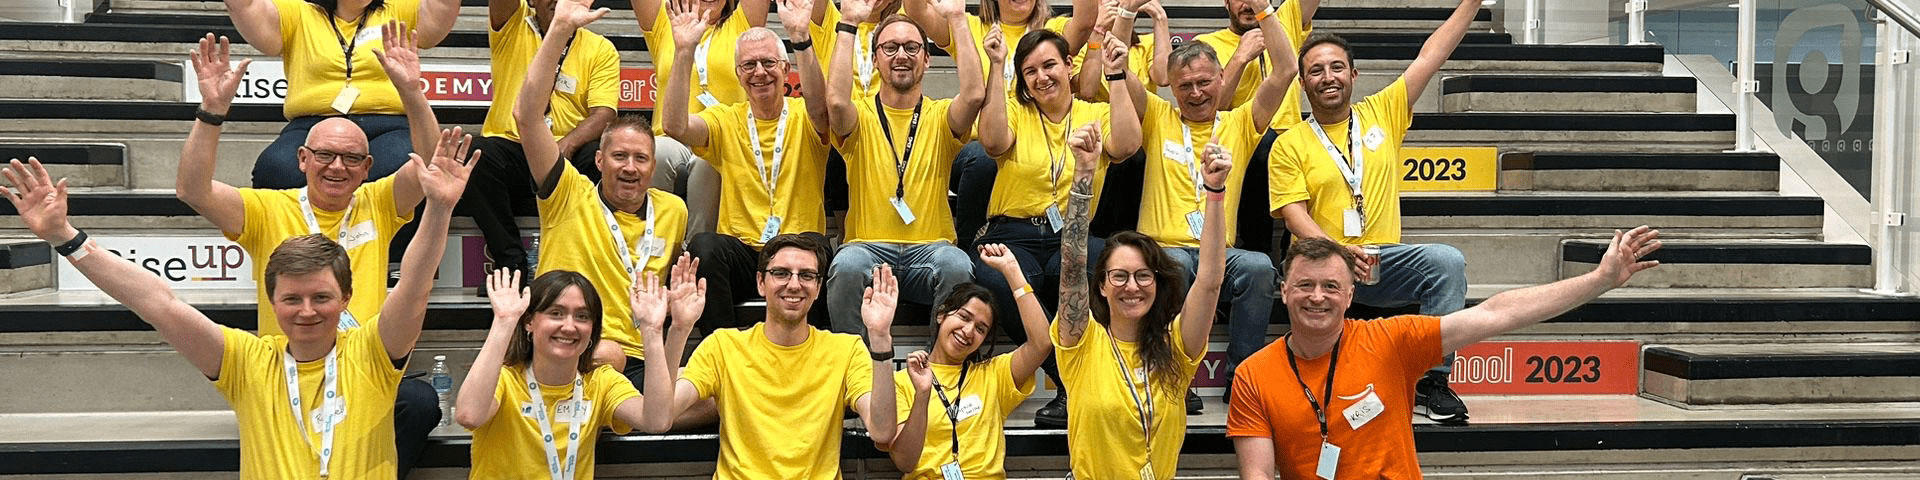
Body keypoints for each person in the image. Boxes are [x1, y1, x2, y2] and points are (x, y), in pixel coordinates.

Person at [1, 128, 473, 477]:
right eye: (292, 298)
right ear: (271, 299)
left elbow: (413, 283)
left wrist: (440, 207)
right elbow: (157, 302)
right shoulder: (248, 363)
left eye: (321, 297)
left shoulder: (373, 354)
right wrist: (66, 237)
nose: (307, 310)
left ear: (346, 298)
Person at [174, 30, 443, 475]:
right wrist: (211, 112)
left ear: (368, 167)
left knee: (418, 403)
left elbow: (433, 168)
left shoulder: (379, 202)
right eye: (324, 155)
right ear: (301, 159)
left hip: (361, 368)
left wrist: (412, 93)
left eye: (352, 159)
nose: (337, 167)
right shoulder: (266, 209)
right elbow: (192, 190)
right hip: (288, 371)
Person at [1228, 230, 1661, 478]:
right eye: (1304, 285)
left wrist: (1600, 280)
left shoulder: (1391, 342)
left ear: (1350, 295)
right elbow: (1259, 476)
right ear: (1282, 292)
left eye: (1331, 286)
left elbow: (1496, 313)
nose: (1317, 297)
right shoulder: (1254, 375)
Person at [1267, 0, 1480, 424]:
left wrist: (1472, 4)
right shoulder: (1289, 143)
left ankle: (1432, 381)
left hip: (1382, 261)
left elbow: (1432, 54)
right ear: (1304, 86)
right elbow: (1294, 216)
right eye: (1316, 71)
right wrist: (1340, 253)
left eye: (1336, 67)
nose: (1327, 77)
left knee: (1447, 262)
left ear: (1353, 74)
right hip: (1320, 263)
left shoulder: (1383, 112)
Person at [972, 26, 1142, 427]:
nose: (1041, 76)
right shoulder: (1017, 110)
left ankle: (1102, 374)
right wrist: (998, 67)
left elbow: (1128, 145)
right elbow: (993, 142)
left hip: (1073, 231)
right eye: (1030, 71)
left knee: (1107, 266)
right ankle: (1071, 381)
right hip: (1011, 233)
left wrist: (1115, 76)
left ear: (1069, 66)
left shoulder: (1094, 112)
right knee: (998, 283)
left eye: (1049, 65)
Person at [516, 0, 691, 385]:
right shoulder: (567, 193)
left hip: (641, 354)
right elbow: (526, 117)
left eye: (641, 158)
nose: (630, 167)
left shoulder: (674, 210)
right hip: (576, 348)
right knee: (608, 356)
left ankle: (632, 412)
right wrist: (560, 28)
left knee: (718, 395)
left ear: (653, 166)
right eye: (619, 156)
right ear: (598, 161)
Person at [637, 234, 901, 479]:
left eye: (807, 275)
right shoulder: (723, 346)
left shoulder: (847, 349)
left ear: (819, 288)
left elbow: (882, 430)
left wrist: (879, 338)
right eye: (781, 273)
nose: (795, 284)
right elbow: (660, 417)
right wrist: (679, 329)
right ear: (761, 283)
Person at [1052, 123, 1231, 479]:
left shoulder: (1176, 348)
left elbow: (1210, 281)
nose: (1131, 286)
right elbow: (1072, 263)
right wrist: (1084, 175)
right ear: (1101, 286)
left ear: (1157, 282)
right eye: (1119, 275)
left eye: (1143, 275)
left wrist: (1215, 193)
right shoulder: (1081, 343)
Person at [1135, 7, 1295, 400]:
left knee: (1259, 266)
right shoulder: (1156, 116)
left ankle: (1241, 378)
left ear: (1223, 77)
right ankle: (1174, 373)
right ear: (1172, 88)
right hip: (1164, 248)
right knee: (1172, 265)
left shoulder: (1240, 122)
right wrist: (1122, 16)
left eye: (1205, 82)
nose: (1196, 93)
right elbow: (1118, 77)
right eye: (1185, 85)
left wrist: (1264, 11)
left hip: (1219, 252)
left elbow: (1286, 70)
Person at [663, 0, 836, 332]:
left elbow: (822, 108)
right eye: (749, 65)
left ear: (786, 70)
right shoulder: (726, 119)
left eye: (769, 62)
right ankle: (722, 349)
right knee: (704, 247)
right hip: (744, 253)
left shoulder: (805, 115)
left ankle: (812, 355)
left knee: (817, 251)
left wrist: (801, 37)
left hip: (797, 244)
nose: (760, 72)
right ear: (739, 75)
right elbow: (675, 127)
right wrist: (684, 51)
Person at [819, 0, 984, 337]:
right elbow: (835, 101)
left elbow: (973, 94)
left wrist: (956, 18)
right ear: (875, 58)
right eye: (890, 47)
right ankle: (856, 373)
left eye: (912, 47)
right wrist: (848, 22)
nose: (901, 55)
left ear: (926, 58)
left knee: (957, 264)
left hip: (931, 252)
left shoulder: (939, 116)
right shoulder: (861, 116)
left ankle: (941, 370)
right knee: (846, 265)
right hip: (867, 250)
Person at [459, 0, 625, 280]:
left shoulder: (600, 49)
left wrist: (569, 143)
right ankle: (510, 262)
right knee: (477, 154)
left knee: (598, 155)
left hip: (563, 160)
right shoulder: (512, 22)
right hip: (512, 150)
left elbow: (604, 114)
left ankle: (576, 259)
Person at [222, 0, 460, 188]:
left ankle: (385, 251)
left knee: (403, 167)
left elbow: (441, 10)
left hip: (388, 124)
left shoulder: (399, 8)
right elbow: (245, 6)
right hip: (312, 126)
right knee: (277, 168)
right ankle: (303, 251)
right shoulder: (298, 12)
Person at [454, 268, 651, 479]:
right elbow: (469, 415)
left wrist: (655, 331)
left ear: (593, 330)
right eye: (556, 313)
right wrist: (504, 322)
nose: (569, 326)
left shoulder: (600, 381)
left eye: (582, 316)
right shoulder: (505, 378)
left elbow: (655, 420)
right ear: (529, 321)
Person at [887, 244, 1050, 479]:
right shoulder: (902, 382)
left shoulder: (993, 375)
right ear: (941, 315)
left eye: (980, 329)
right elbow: (904, 461)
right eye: (964, 317)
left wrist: (1012, 271)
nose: (968, 331)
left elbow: (1042, 342)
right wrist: (922, 395)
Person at [629, 0, 776, 235]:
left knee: (707, 162)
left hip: (722, 140)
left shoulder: (742, 24)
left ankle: (696, 249)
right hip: (671, 137)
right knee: (659, 151)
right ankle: (656, 243)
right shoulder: (665, 23)